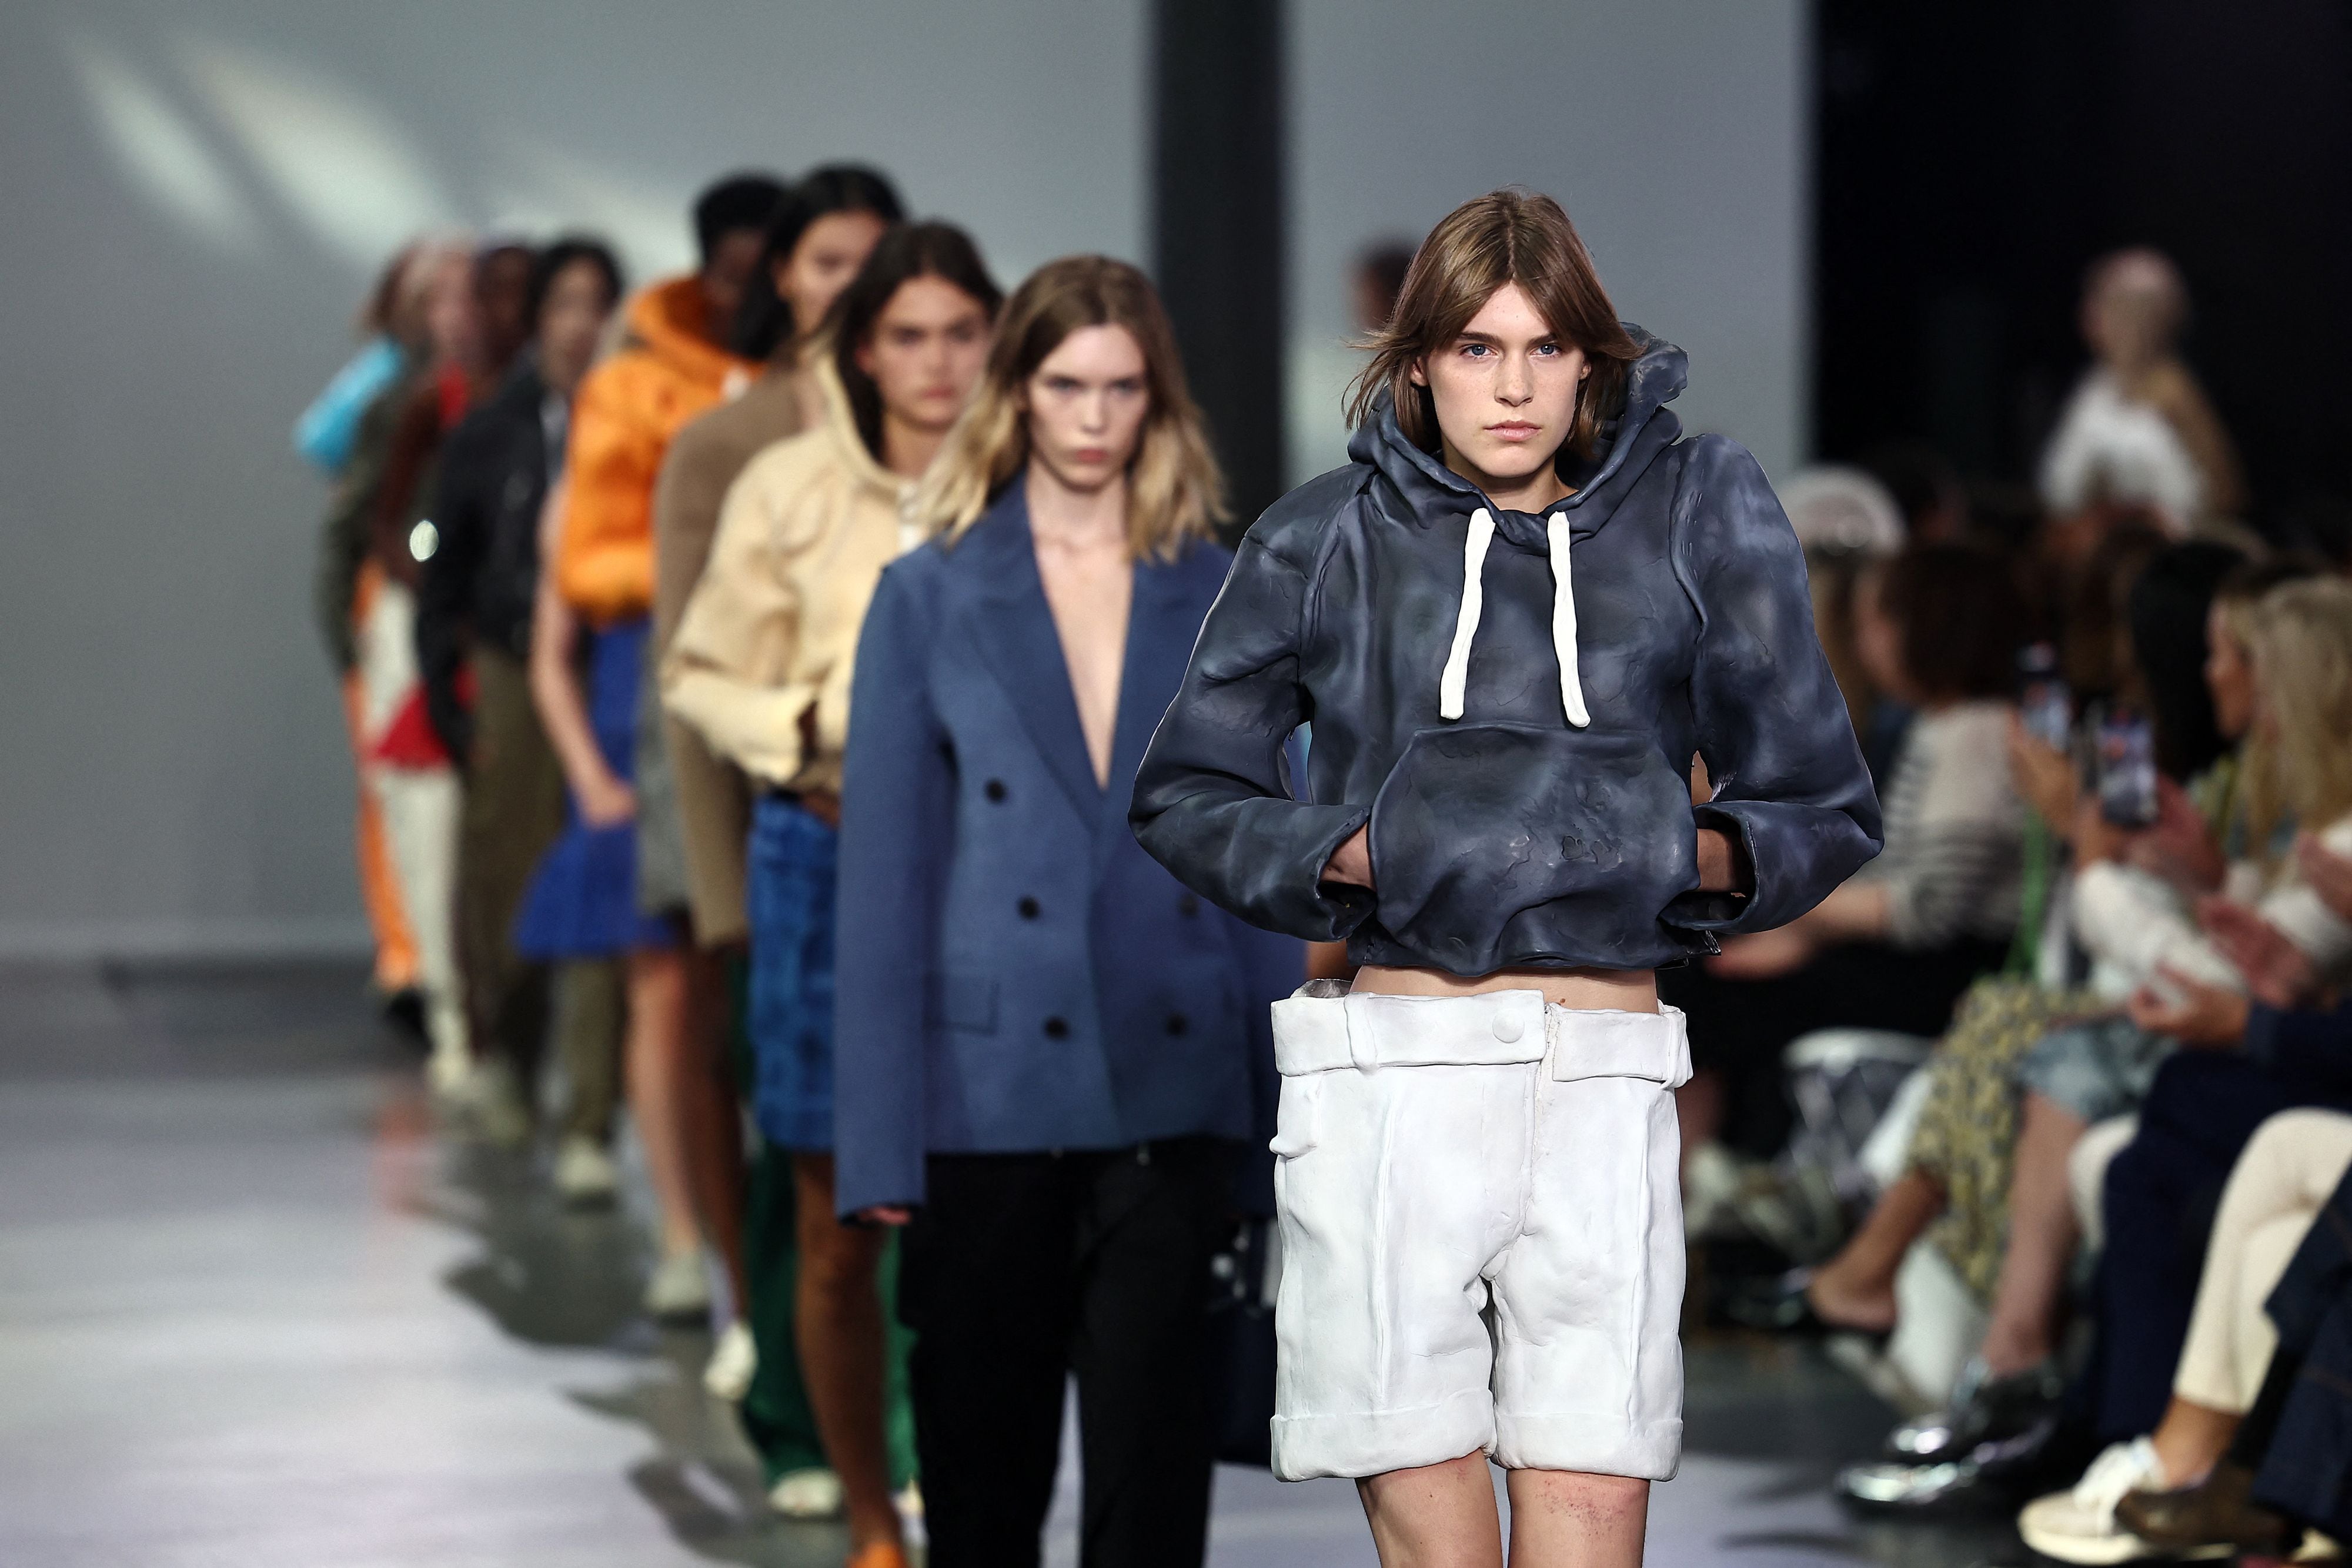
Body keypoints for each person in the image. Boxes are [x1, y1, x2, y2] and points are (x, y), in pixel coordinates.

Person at [1130, 190, 1879, 1567]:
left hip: (1603, 1073)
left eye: (1545, 350)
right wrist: (1351, 850)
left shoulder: (1695, 517)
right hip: (1392, 1070)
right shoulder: (1321, 537)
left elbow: (1821, 800)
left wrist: (1682, 857)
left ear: (1591, 361)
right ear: (1417, 362)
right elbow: (1184, 792)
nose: (1514, 385)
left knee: (1594, 1522)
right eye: (1477, 349)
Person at [834, 256, 1304, 1566]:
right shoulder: (926, 594)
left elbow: (1260, 864)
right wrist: (876, 1143)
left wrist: (1287, 1115)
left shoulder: (1223, 595)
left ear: (1156, 400)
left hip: (1172, 1078)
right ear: (1016, 394)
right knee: (982, 1490)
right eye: (1064, 385)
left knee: (1151, 1504)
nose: (1093, 416)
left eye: (1120, 386)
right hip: (983, 1096)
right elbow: (881, 882)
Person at [668, 219, 998, 1568]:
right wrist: (811, 722)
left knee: (990, 1205)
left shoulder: (1033, 484)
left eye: (962, 334)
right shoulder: (790, 485)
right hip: (827, 851)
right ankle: (869, 1514)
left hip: (992, 867)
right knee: (833, 1213)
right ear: (862, 350)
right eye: (907, 337)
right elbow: (699, 670)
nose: (936, 364)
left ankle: (964, 1503)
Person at [643, 165, 900, 1426]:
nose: (849, 284)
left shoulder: (954, 437)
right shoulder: (727, 446)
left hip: (908, 848)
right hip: (778, 836)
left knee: (891, 1159)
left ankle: (871, 1413)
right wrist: (716, 886)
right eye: (826, 261)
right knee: (791, 1138)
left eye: (876, 260)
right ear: (784, 279)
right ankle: (785, 1383)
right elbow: (690, 677)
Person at [526, 172, 785, 1323]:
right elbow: (581, 565)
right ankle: (686, 1232)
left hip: (778, 678)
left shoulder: (828, 384)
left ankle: (749, 1255)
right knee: (664, 977)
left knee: (752, 983)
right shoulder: (634, 386)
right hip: (653, 672)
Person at [1666, 540, 2027, 1163]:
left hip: (1946, 974)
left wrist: (1794, 918)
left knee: (1710, 993)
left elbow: (1926, 911)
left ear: (1930, 627)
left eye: (1879, 622)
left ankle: (1709, 1182)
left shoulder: (1973, 736)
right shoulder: (1946, 727)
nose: (1866, 641)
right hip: (1911, 956)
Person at [415, 238, 627, 1184]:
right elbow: (440, 566)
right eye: (565, 303)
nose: (582, 323)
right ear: (537, 319)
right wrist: (446, 704)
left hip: (614, 662)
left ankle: (588, 1113)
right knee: (509, 874)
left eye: (598, 302)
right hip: (509, 661)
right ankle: (509, 1051)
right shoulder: (490, 431)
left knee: (605, 883)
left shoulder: (641, 425)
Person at [2039, 248, 2246, 537]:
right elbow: (2057, 492)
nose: (2090, 317)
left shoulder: (2177, 394)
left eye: (2118, 306)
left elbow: (2226, 498)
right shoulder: (2096, 388)